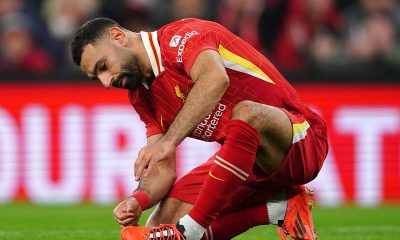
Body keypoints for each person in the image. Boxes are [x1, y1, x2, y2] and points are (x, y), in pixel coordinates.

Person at [70, 17, 328, 240]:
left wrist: (168, 141)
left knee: (247, 113)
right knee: (159, 229)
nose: (106, 82)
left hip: (300, 141)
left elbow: (216, 79)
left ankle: (191, 230)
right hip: (246, 163)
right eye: (97, 78)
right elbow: (163, 168)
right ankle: (281, 210)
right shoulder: (141, 96)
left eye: (103, 67)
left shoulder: (179, 38)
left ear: (118, 37)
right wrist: (138, 200)